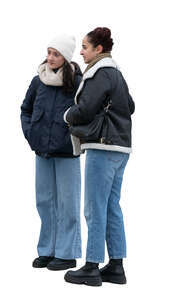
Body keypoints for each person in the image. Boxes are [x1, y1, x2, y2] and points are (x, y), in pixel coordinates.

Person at [63, 27, 135, 286]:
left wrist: (66, 115)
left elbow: (84, 110)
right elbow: (131, 105)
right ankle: (116, 266)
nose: (81, 52)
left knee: (94, 208)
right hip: (120, 148)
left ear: (99, 49)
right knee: (111, 207)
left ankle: (92, 266)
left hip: (102, 147)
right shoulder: (116, 73)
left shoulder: (99, 72)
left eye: (85, 47)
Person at [20, 34, 83, 271]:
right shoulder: (38, 81)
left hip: (67, 151)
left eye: (56, 53)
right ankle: (47, 250)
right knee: (45, 201)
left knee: (68, 203)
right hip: (42, 151)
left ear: (66, 57)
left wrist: (75, 135)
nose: (50, 57)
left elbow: (87, 112)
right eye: (48, 52)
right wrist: (31, 133)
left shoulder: (77, 81)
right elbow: (25, 109)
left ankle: (67, 253)